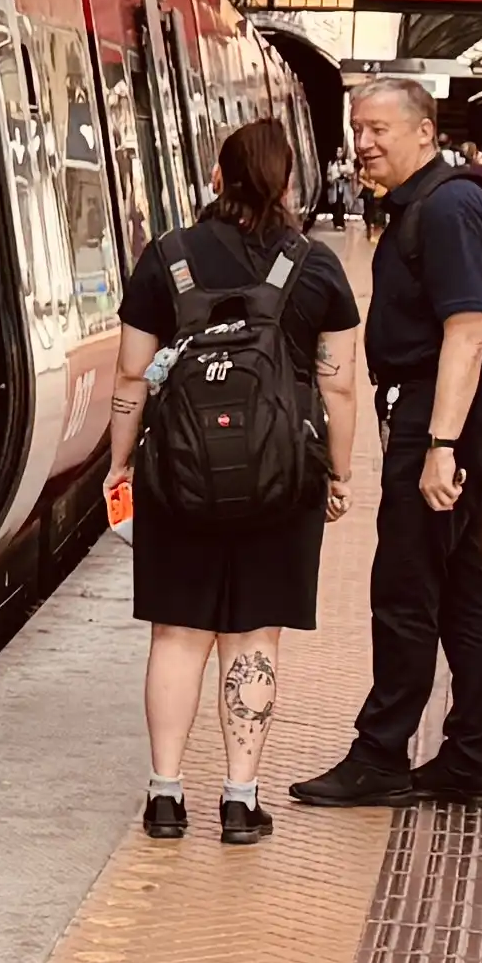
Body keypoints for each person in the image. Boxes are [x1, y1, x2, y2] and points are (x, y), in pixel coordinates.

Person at [97, 115, 365, 845]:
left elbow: (132, 376)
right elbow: (338, 390)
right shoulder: (316, 268)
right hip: (281, 481)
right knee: (255, 636)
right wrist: (337, 475)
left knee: (177, 635)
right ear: (286, 182)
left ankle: (164, 796)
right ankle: (240, 802)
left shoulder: (166, 260)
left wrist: (122, 465)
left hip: (178, 479)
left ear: (218, 176)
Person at [289, 75, 482, 812]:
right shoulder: (431, 204)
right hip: (446, 410)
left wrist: (440, 445)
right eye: (358, 129)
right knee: (461, 586)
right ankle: (473, 757)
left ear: (424, 132)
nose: (364, 143)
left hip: (446, 412)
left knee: (406, 586)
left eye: (380, 129)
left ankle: (383, 754)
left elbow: (467, 332)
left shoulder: (448, 210)